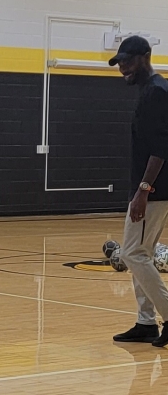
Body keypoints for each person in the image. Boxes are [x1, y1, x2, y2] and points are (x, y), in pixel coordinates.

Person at [109, 35, 168, 347]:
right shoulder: (152, 90)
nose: (122, 68)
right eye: (119, 63)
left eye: (127, 61)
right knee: (140, 253)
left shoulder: (157, 92)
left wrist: (144, 190)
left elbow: (160, 147)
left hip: (154, 190)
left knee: (132, 253)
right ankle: (146, 322)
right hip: (151, 189)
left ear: (146, 56)